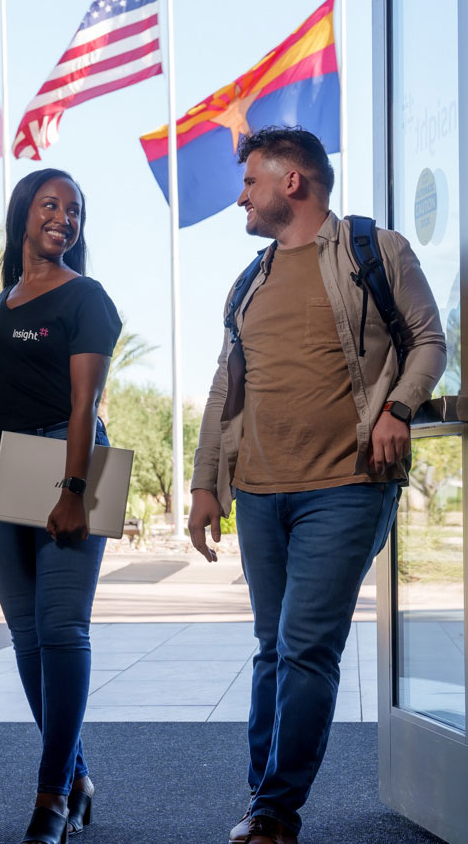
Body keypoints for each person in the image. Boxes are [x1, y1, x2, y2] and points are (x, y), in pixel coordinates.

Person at [187, 127, 446, 844]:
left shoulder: (374, 250)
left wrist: (399, 407)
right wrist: (207, 483)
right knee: (273, 647)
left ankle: (275, 810)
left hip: (348, 484)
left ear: (291, 181)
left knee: (305, 646)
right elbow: (223, 387)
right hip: (261, 493)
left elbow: (430, 339)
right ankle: (261, 793)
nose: (241, 195)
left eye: (249, 182)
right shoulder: (250, 279)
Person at [0, 168, 121, 844]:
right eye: (51, 204)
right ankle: (74, 775)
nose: (64, 217)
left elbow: (85, 403)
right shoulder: (9, 299)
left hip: (66, 460)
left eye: (74, 209)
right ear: (24, 214)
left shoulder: (87, 298)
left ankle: (50, 798)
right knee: (25, 633)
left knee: (61, 629)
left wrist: (75, 490)